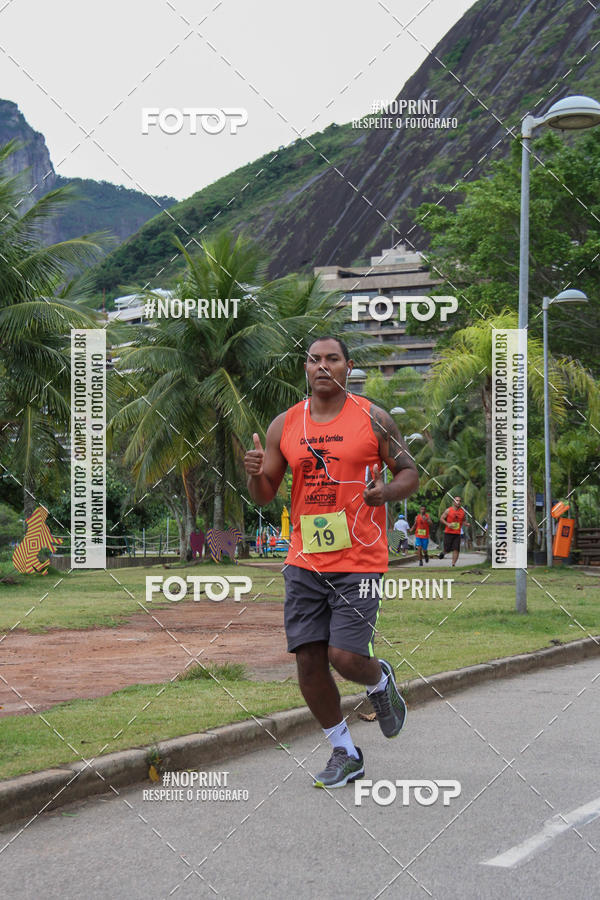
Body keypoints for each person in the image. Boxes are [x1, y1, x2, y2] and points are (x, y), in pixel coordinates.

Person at [244, 335, 419, 789]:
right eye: (314, 359)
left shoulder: (374, 419)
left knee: (344, 656)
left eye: (332, 359)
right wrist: (254, 474)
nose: (323, 366)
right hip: (305, 559)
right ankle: (344, 750)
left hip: (359, 558)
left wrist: (387, 492)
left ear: (347, 367)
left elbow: (409, 471)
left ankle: (379, 680)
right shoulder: (285, 424)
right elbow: (266, 494)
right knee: (308, 661)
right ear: (305, 368)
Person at [439, 496, 467, 567]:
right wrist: (447, 524)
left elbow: (464, 520)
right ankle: (443, 553)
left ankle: (453, 564)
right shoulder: (448, 510)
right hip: (448, 533)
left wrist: (466, 524)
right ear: (453, 502)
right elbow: (441, 518)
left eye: (460, 501)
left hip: (457, 534)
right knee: (447, 549)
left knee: (456, 549)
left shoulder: (462, 512)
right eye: (457, 500)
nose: (458, 502)